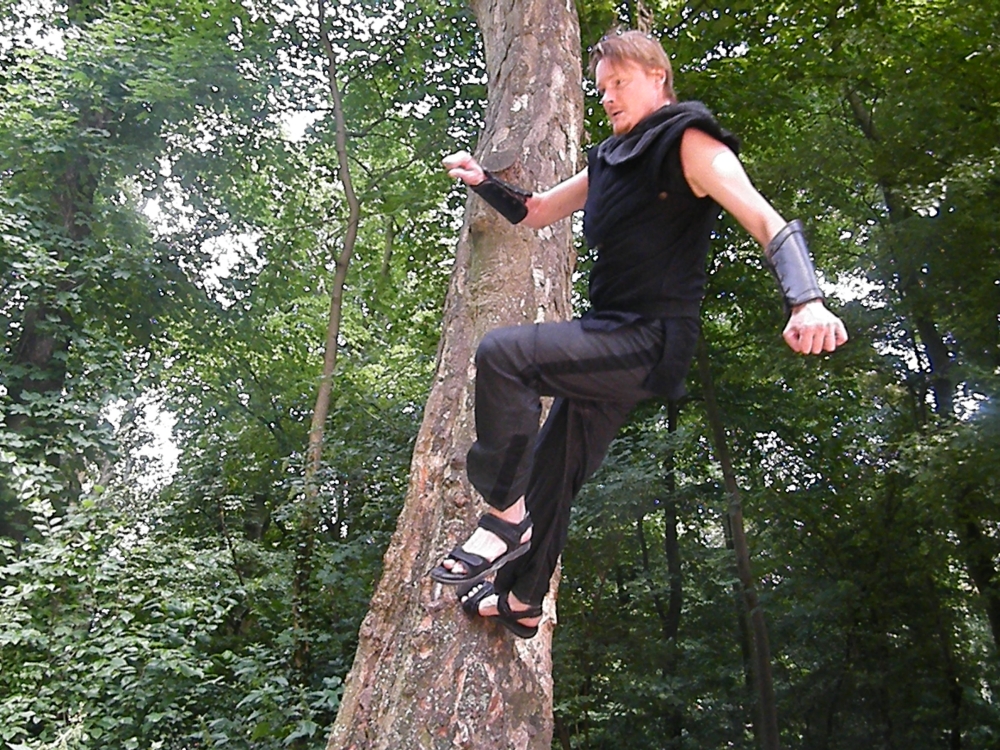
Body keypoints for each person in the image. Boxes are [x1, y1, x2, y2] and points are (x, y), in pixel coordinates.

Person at [429, 29, 848, 638]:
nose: (607, 97)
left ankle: (503, 516)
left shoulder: (689, 142)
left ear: (658, 77)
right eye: (601, 89)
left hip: (651, 340)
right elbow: (536, 210)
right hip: (606, 337)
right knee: (553, 472)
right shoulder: (609, 160)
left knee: (505, 355)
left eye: (619, 83)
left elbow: (765, 218)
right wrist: (481, 180)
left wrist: (806, 300)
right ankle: (521, 600)